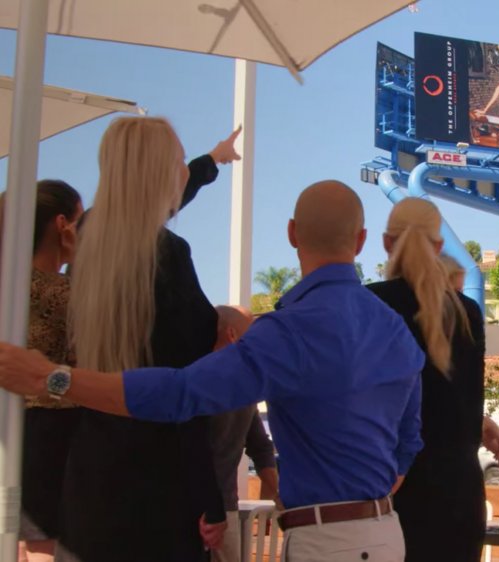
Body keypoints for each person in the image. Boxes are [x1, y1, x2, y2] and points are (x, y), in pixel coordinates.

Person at [0, 180, 426, 562]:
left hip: (327, 540)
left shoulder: (289, 332)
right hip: (387, 532)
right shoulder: (396, 329)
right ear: (362, 240)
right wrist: (363, 505)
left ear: (292, 233)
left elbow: (180, 393)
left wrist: (52, 377)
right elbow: (408, 442)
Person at [56, 117, 242, 562]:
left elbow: (145, 212)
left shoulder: (89, 239)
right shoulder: (170, 255)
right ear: (159, 173)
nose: (183, 168)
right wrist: (209, 499)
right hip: (160, 483)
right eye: (178, 159)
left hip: (91, 477)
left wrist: (212, 160)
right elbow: (185, 392)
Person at [367, 198, 486, 562]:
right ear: (438, 246)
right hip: (462, 494)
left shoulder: (370, 304)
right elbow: (456, 403)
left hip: (393, 491)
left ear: (387, 242)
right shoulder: (467, 312)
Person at [0, 180, 82, 562]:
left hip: (12, 426)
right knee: (46, 549)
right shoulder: (71, 293)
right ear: (63, 223)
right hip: (54, 430)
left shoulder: (9, 289)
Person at [208, 305, 280, 562]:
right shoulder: (244, 389)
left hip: (188, 509)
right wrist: (276, 495)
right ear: (232, 334)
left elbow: (261, 448)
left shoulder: (192, 380)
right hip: (221, 511)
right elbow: (261, 448)